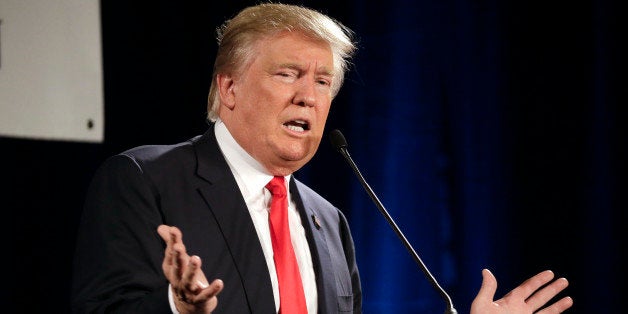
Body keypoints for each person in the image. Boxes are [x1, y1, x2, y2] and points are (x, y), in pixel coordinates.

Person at [71, 3, 573, 314]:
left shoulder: (328, 221)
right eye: (288, 74)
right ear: (229, 88)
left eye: (323, 81)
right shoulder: (146, 180)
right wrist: (177, 308)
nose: (309, 96)